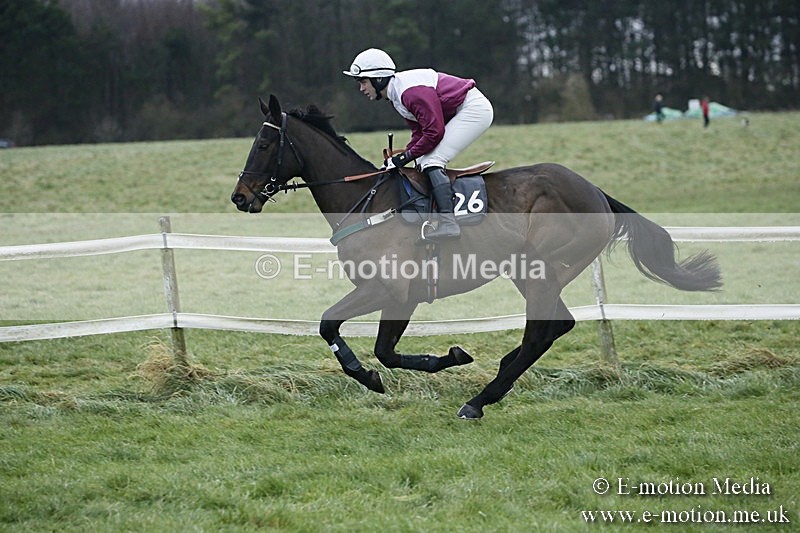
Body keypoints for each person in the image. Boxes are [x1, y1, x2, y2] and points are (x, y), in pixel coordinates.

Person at [343, 48, 494, 241]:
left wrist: (405, 157)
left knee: (432, 160)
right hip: (458, 111)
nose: (362, 89)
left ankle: (449, 223)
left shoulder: (410, 93)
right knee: (422, 160)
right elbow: (419, 132)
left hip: (473, 110)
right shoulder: (396, 95)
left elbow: (434, 132)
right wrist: (400, 157)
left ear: (378, 79)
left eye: (363, 82)